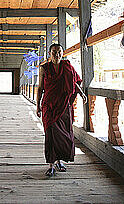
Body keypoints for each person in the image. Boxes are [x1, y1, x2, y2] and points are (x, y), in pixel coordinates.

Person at [36, 43, 87, 177]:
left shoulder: (67, 66)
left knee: (64, 134)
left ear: (62, 53)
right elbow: (40, 88)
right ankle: (51, 165)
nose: (57, 54)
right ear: (49, 54)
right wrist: (38, 106)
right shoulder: (44, 68)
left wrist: (81, 93)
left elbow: (74, 81)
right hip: (49, 105)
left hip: (63, 105)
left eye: (59, 52)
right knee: (51, 134)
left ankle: (59, 161)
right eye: (54, 52)